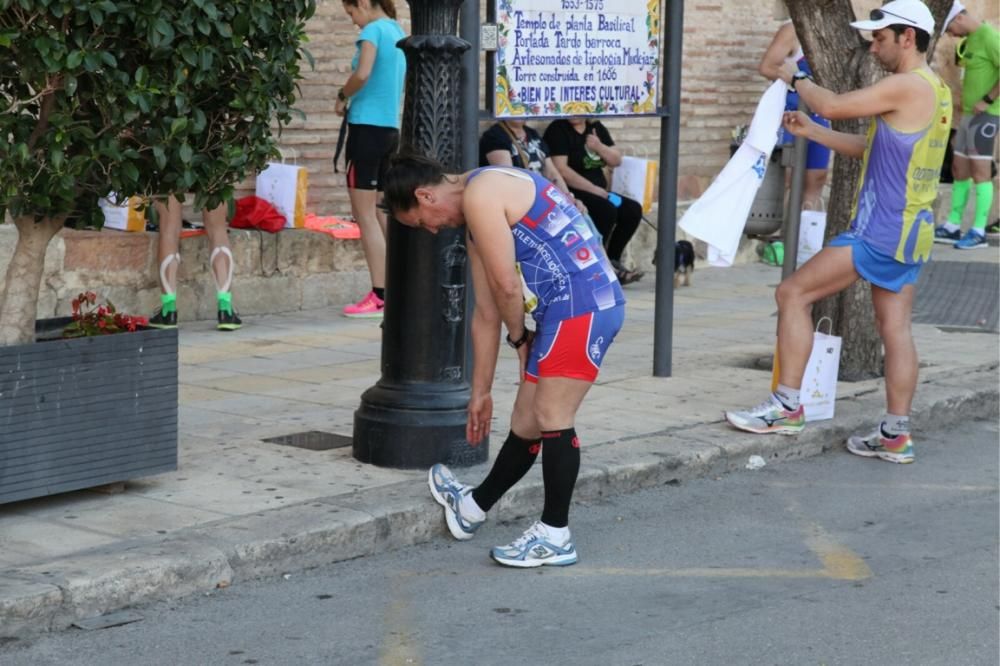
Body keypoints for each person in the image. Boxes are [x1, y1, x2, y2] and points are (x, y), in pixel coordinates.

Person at [725, 0, 952, 465]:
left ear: (908, 37)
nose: (874, 46)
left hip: (880, 230)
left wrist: (794, 75)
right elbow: (871, 148)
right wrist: (813, 132)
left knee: (792, 294)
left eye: (881, 37)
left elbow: (832, 105)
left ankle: (787, 406)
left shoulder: (905, 85)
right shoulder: (936, 90)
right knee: (896, 330)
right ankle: (895, 434)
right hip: (912, 232)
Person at [380, 154, 626, 568]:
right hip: (563, 310)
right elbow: (486, 313)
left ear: (425, 195)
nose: (433, 230)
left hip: (583, 306)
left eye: (423, 221)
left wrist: (519, 338)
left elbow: (507, 286)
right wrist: (481, 392)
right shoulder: (478, 212)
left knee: (552, 414)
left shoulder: (481, 194)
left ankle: (555, 534)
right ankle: (472, 508)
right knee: (526, 421)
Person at [336, 0, 406, 318]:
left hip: (366, 131)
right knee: (381, 211)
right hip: (390, 131)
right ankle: (398, 288)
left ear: (363, 3)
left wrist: (342, 94)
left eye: (352, 13)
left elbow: (362, 74)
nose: (353, 21)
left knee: (364, 215)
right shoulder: (397, 31)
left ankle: (380, 294)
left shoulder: (374, 31)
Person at [543, 117, 644, 284]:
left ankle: (613, 260)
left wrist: (598, 146)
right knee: (606, 210)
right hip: (575, 191)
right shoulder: (558, 129)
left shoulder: (596, 128)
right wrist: (595, 190)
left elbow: (616, 160)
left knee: (632, 210)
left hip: (600, 191)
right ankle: (598, 266)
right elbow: (561, 170)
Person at [933, 1, 999, 250]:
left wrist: (988, 99)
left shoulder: (990, 36)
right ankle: (952, 226)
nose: (949, 34)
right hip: (969, 115)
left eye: (949, 28)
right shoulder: (969, 40)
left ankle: (979, 231)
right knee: (960, 168)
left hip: (987, 115)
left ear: (959, 18)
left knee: (981, 172)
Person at [758, 14, 832, 212]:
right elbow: (767, 67)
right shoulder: (792, 29)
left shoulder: (837, 28)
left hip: (819, 113)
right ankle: (780, 236)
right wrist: (800, 80)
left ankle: (806, 237)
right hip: (791, 112)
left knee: (816, 177)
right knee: (786, 177)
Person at [148, 195, 242, 331]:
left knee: (169, 228)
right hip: (211, 174)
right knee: (218, 229)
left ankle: (168, 311)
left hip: (173, 175)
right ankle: (225, 309)